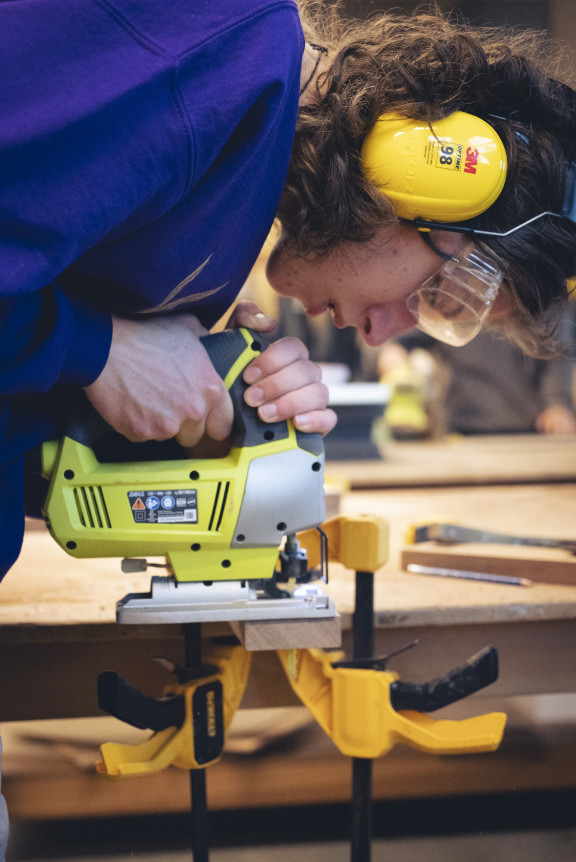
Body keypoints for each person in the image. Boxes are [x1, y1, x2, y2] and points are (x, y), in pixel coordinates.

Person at [2, 3, 576, 850]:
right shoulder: (205, 52)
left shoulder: (232, 172)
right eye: (434, 296)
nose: (386, 333)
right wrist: (100, 351)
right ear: (422, 177)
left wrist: (194, 418)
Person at [379, 325, 576, 437]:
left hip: (529, 429)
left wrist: (558, 403)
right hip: (464, 427)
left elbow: (558, 352)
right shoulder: (454, 295)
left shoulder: (535, 284)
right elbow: (402, 336)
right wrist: (392, 348)